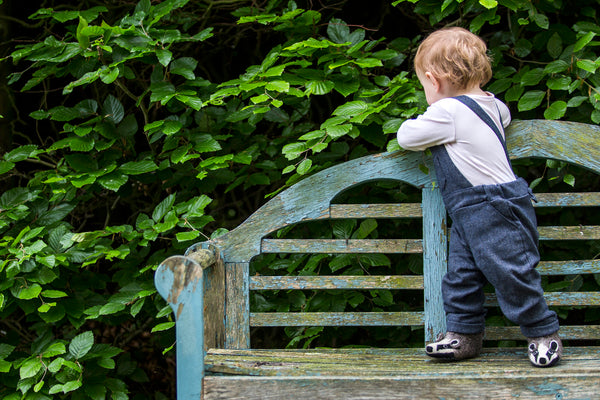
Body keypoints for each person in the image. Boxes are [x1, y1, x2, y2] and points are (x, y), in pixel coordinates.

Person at [396, 27, 562, 367]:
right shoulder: (495, 106)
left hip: (491, 206)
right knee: (462, 273)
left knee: (512, 272)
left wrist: (425, 114)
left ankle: (543, 332)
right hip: (480, 208)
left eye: (424, 84)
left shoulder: (448, 112)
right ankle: (464, 335)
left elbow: (406, 137)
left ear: (434, 80)